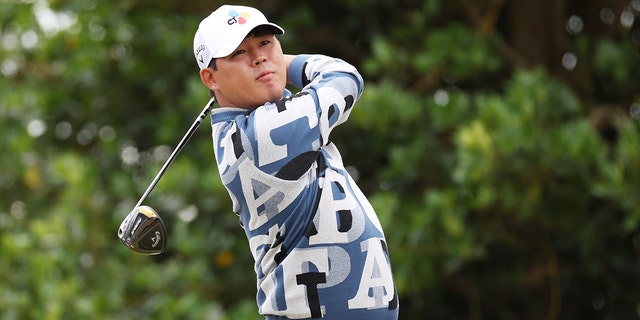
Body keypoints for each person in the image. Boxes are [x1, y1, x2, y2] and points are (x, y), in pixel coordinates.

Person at [193, 5, 398, 319]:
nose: (259, 56)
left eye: (265, 43)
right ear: (210, 78)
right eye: (238, 52)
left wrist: (265, 67)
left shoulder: (258, 125)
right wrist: (281, 65)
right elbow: (344, 78)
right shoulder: (259, 136)